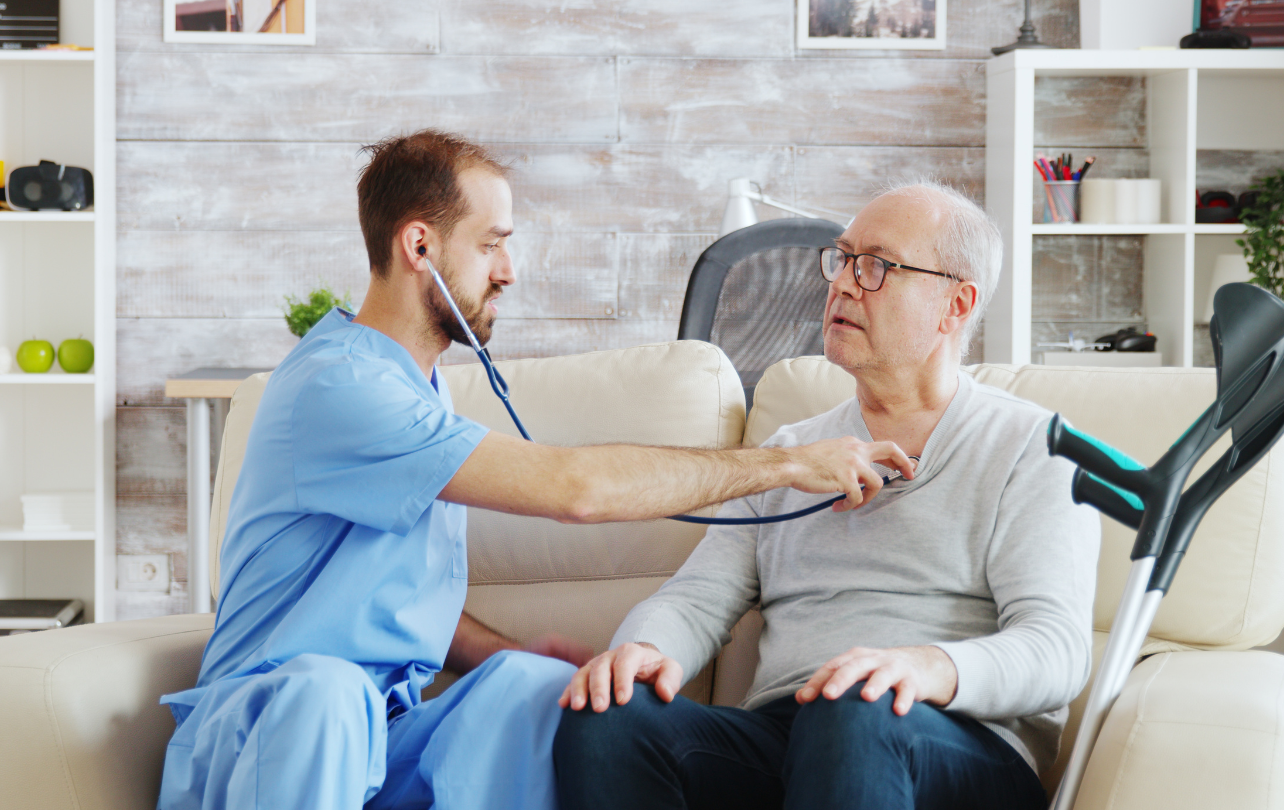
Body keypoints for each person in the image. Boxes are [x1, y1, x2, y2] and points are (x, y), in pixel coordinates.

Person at [154, 128, 905, 810]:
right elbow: (574, 492)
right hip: (275, 725)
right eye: (491, 244)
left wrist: (510, 653)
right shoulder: (340, 387)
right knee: (328, 693)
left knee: (534, 689)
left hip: (380, 731)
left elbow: (384, 597)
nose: (510, 270)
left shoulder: (421, 387)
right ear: (420, 246)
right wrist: (785, 462)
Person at [554, 182, 1102, 810]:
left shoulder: (1035, 445)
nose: (842, 283)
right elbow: (698, 597)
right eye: (842, 259)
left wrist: (924, 668)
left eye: (877, 267)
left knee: (853, 711)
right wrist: (642, 650)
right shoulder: (794, 452)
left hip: (952, 741)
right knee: (607, 716)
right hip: (792, 731)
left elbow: (1055, 648)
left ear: (957, 304)